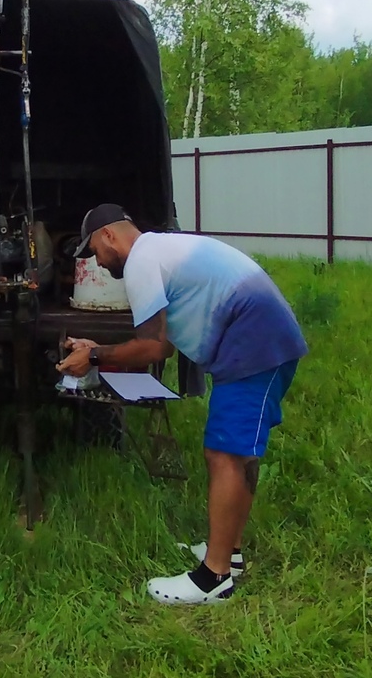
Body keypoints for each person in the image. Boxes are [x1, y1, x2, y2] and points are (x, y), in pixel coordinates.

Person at [58, 203, 307, 605]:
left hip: (256, 340)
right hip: (258, 336)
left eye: (95, 253)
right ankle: (231, 553)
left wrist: (96, 357)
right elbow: (167, 337)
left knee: (225, 453)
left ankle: (213, 578)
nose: (98, 264)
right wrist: (98, 350)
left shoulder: (141, 261)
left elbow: (155, 349)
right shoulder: (160, 251)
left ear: (108, 236)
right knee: (236, 452)